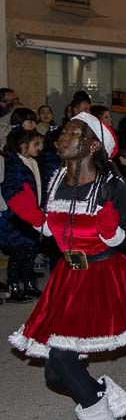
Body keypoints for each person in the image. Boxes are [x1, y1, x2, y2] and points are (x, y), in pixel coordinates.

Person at [6, 112, 126, 420]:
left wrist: (110, 232)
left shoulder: (112, 186)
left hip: (101, 276)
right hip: (67, 277)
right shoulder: (58, 177)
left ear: (91, 145)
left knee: (62, 359)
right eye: (63, 131)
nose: (61, 137)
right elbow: (60, 230)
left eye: (71, 133)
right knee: (55, 375)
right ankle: (120, 404)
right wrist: (36, 220)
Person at [1, 126, 44, 302]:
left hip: (33, 214)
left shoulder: (32, 162)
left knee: (30, 252)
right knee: (18, 253)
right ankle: (13, 287)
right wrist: (21, 209)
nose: (39, 148)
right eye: (36, 144)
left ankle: (28, 284)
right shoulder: (15, 163)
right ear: (22, 145)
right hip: (18, 217)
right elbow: (12, 190)